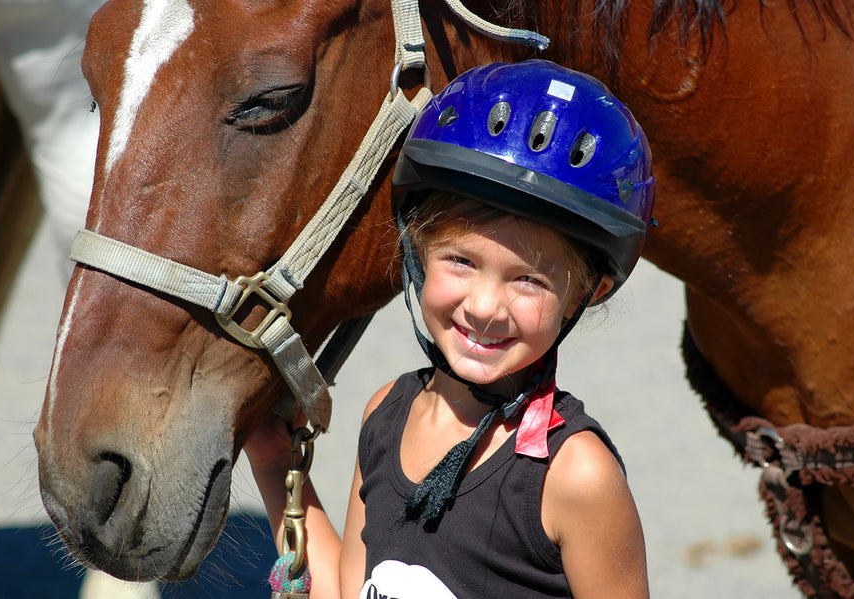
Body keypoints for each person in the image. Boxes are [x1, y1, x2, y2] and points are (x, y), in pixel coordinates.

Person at [246, 59, 656, 599]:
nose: (486, 306)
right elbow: (353, 589)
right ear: (418, 249)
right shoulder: (387, 414)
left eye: (529, 279)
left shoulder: (575, 475)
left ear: (586, 292)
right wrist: (275, 461)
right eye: (461, 261)